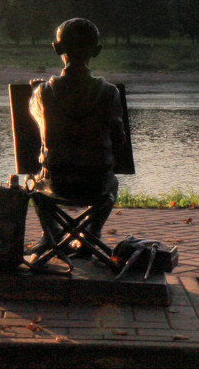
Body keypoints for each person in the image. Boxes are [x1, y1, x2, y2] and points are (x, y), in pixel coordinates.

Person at [28, 18, 124, 256]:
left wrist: (35, 91)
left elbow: (37, 119)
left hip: (55, 182)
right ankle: (91, 236)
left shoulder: (42, 92)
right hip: (97, 184)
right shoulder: (110, 92)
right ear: (97, 51)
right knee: (113, 184)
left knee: (35, 182)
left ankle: (50, 235)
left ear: (57, 48)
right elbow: (118, 139)